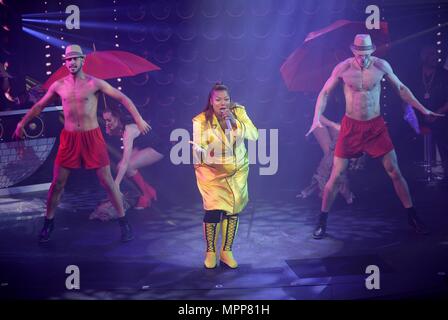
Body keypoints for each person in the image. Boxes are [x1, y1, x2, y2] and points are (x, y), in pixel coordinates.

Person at [306, 34, 444, 239]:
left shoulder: (381, 66)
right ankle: (322, 221)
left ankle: (413, 217)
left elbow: (401, 89)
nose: (363, 58)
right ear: (353, 51)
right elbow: (325, 93)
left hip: (375, 126)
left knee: (394, 171)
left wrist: (423, 109)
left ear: (372, 50)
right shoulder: (343, 68)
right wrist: (317, 117)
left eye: (366, 53)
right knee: (336, 176)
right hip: (351, 126)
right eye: (359, 53)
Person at [13, 44, 150, 243]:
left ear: (82, 60)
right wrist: (21, 122)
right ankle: (48, 223)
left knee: (108, 182)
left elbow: (122, 97)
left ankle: (123, 222)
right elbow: (39, 106)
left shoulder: (95, 83)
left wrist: (138, 119)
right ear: (65, 62)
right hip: (69, 139)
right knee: (57, 183)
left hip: (91, 137)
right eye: (68, 59)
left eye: (75, 58)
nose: (72, 62)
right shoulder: (59, 85)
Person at [192, 83, 258, 269]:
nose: (223, 103)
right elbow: (199, 150)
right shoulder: (201, 120)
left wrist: (236, 122)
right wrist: (202, 152)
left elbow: (254, 135)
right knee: (214, 209)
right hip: (212, 172)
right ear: (211, 101)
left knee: (233, 209)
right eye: (218, 99)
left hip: (237, 170)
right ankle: (210, 252)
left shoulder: (238, 112)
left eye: (226, 99)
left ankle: (226, 251)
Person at [102, 104, 164, 210]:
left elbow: (126, 162)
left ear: (117, 117)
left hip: (158, 147)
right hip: (144, 146)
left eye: (109, 120)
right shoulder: (123, 127)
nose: (107, 124)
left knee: (128, 166)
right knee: (119, 166)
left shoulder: (128, 131)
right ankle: (150, 191)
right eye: (105, 121)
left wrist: (116, 184)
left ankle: (146, 197)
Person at [407, 44, 448, 179]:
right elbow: (406, 96)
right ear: (423, 57)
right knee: (415, 148)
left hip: (440, 117)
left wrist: (438, 112)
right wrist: (414, 115)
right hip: (418, 117)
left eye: (436, 54)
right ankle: (417, 178)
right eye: (431, 54)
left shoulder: (444, 74)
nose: (435, 57)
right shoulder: (414, 75)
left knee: (444, 148)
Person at [298, 114, 358, 204]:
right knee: (331, 153)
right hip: (320, 120)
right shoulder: (322, 101)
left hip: (341, 121)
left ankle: (316, 186)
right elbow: (317, 115)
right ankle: (343, 188)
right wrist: (333, 125)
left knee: (331, 153)